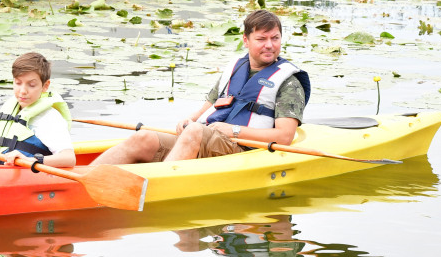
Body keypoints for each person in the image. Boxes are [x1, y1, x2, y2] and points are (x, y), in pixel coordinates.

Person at [90, 9, 309, 165]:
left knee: (195, 131)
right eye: (262, 39)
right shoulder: (236, 68)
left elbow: (284, 137)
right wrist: (189, 120)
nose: (270, 45)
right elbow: (209, 107)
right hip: (208, 138)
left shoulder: (289, 82)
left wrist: (233, 130)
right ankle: (83, 180)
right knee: (143, 137)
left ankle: (160, 182)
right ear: (246, 40)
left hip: (243, 148)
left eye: (275, 38)